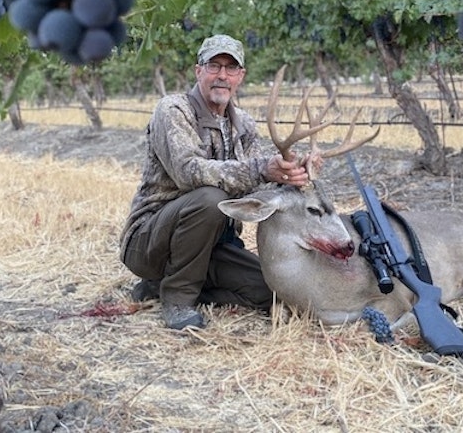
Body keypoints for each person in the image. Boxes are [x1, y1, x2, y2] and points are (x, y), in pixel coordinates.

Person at [119, 34, 316, 330]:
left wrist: (290, 175)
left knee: (273, 291)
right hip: (150, 242)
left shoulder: (244, 124)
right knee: (210, 200)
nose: (222, 75)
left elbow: (257, 186)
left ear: (240, 76)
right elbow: (189, 173)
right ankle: (177, 299)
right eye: (214, 65)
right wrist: (263, 168)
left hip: (213, 246)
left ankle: (160, 287)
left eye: (231, 68)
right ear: (199, 70)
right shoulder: (173, 110)